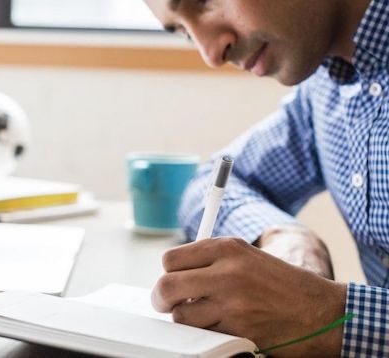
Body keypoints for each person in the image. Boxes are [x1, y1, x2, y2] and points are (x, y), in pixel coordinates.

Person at [142, 0, 387, 356]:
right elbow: (208, 185)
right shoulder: (325, 90)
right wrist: (290, 238)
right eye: (181, 31)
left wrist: (324, 314)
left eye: (204, 1)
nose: (211, 54)